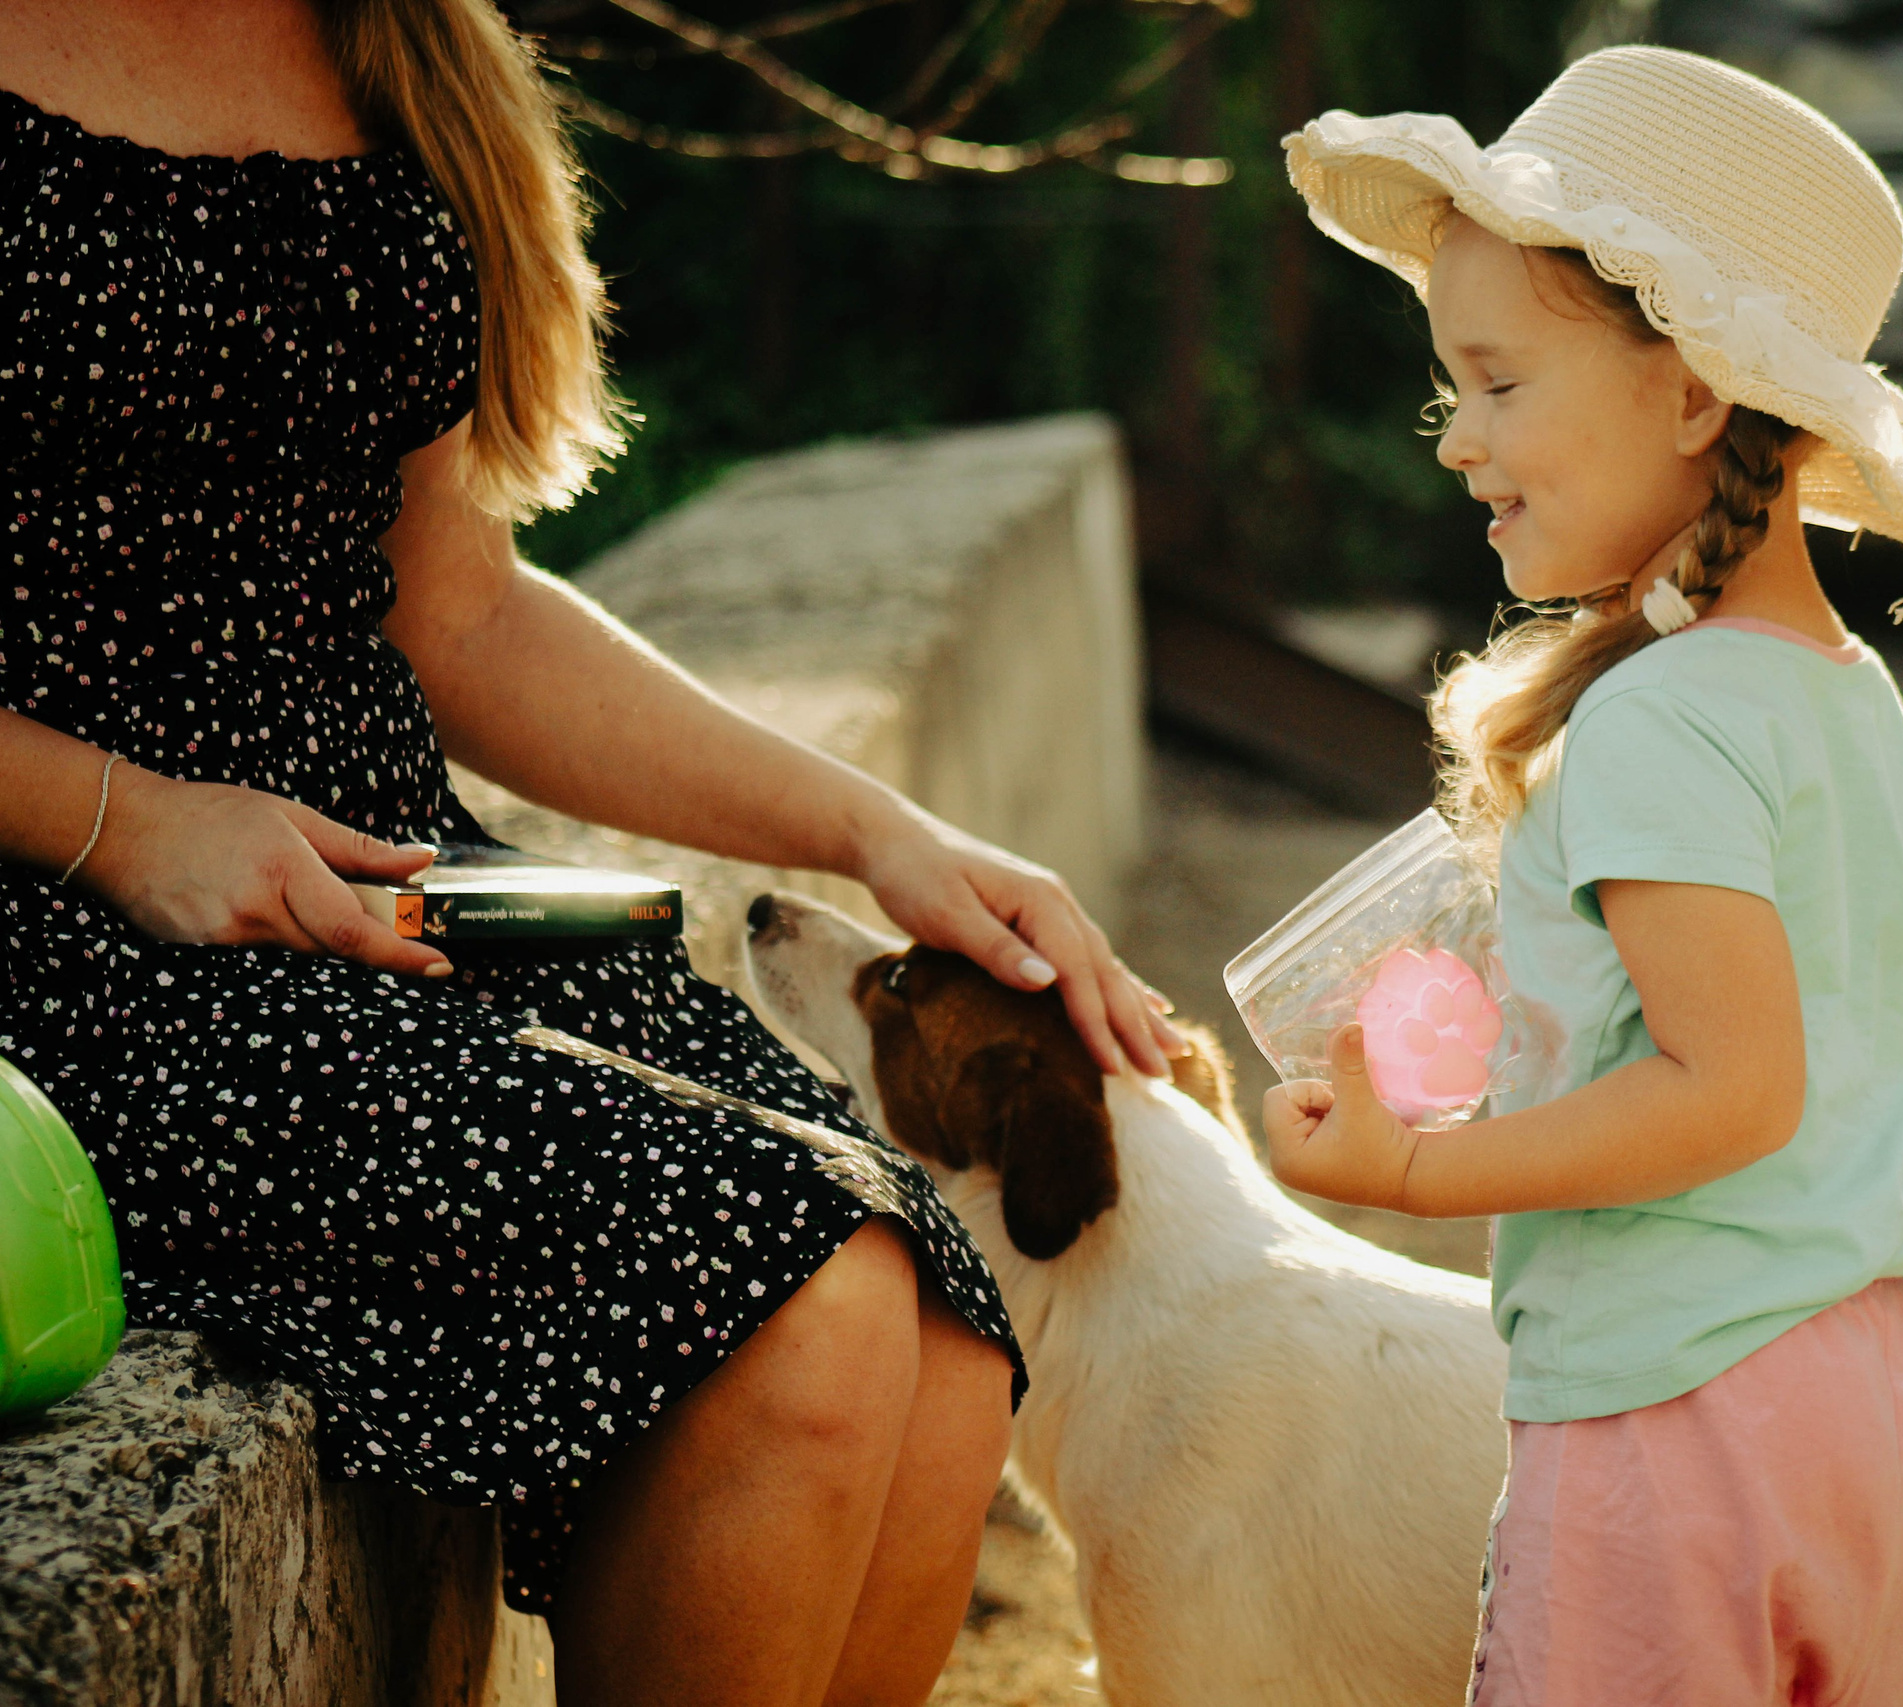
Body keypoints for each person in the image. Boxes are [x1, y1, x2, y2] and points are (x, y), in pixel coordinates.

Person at [0, 4, 1182, 1703]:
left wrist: (882, 832)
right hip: (71, 924)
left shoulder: (396, 45)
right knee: (810, 1298)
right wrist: (123, 821)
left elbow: (459, 615)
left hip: (395, 898)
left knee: (936, 1335)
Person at [1263, 47, 1903, 1706]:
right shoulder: (1839, 692)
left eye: (1499, 383)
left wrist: (1413, 1171)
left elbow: (1727, 1088)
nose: (1457, 441)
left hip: (1678, 1406)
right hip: (1870, 1394)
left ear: (1692, 398)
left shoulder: (1659, 716)